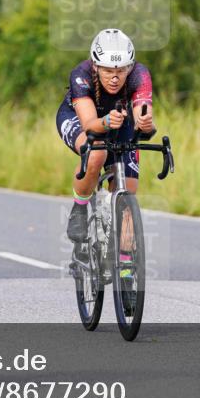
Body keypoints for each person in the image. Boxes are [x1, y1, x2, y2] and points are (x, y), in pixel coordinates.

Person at [55, 28, 155, 269]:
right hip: (81, 119)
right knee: (97, 152)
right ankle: (79, 210)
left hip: (120, 121)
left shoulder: (140, 74)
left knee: (128, 190)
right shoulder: (81, 75)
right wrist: (107, 121)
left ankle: (123, 261)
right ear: (96, 66)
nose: (114, 77)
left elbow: (143, 109)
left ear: (130, 67)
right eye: (108, 70)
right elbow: (90, 125)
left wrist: (146, 122)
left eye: (121, 70)